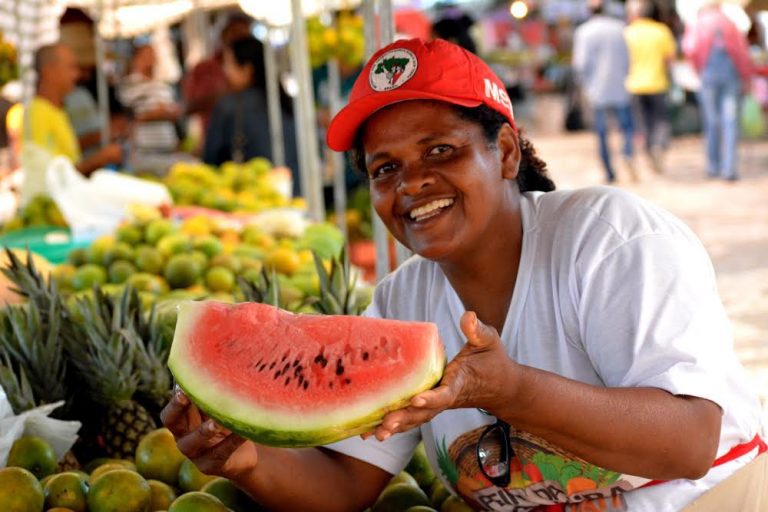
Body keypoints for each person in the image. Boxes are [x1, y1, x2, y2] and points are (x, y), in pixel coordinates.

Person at [161, 38, 765, 511]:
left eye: (440, 151)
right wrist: (244, 459)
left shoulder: (608, 239)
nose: (411, 183)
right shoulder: (405, 299)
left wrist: (511, 390)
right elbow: (345, 485)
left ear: (504, 151)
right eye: (384, 168)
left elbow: (689, 443)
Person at [6, 43, 123, 176]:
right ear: (49, 72)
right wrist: (98, 160)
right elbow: (49, 177)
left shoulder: (57, 110)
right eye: (71, 67)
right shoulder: (34, 113)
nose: (77, 74)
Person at [202, 37, 299, 178]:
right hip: (295, 192)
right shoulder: (287, 103)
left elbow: (210, 160)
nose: (225, 71)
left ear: (247, 69)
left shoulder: (228, 107)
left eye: (228, 64)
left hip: (252, 193)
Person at [682, 1, 753, 182]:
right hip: (731, 76)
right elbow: (741, 53)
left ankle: (713, 166)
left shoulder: (697, 24)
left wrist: (699, 69)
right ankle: (729, 168)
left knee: (711, 120)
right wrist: (746, 77)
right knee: (730, 122)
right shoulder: (730, 23)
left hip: (708, 75)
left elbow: (689, 48)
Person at [572, 0, 637, 183]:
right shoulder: (619, 28)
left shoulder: (583, 32)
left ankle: (609, 171)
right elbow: (628, 57)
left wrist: (583, 86)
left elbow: (580, 64)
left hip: (596, 90)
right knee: (626, 126)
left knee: (601, 132)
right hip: (620, 86)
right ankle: (627, 152)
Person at [624, 0, 677, 174]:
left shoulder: (627, 33)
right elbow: (670, 60)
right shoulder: (661, 31)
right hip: (658, 83)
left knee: (641, 123)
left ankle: (645, 151)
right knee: (660, 121)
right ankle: (658, 146)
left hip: (634, 84)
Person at [182, 14, 252, 141]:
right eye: (234, 33)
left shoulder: (257, 70)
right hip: (216, 140)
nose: (238, 39)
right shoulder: (204, 68)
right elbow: (188, 107)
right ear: (223, 35)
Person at [118, 44, 181, 175]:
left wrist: (163, 112)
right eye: (147, 54)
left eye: (153, 54)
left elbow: (173, 112)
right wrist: (157, 113)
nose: (152, 58)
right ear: (137, 58)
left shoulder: (162, 85)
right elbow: (130, 115)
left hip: (167, 146)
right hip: (145, 150)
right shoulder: (130, 84)